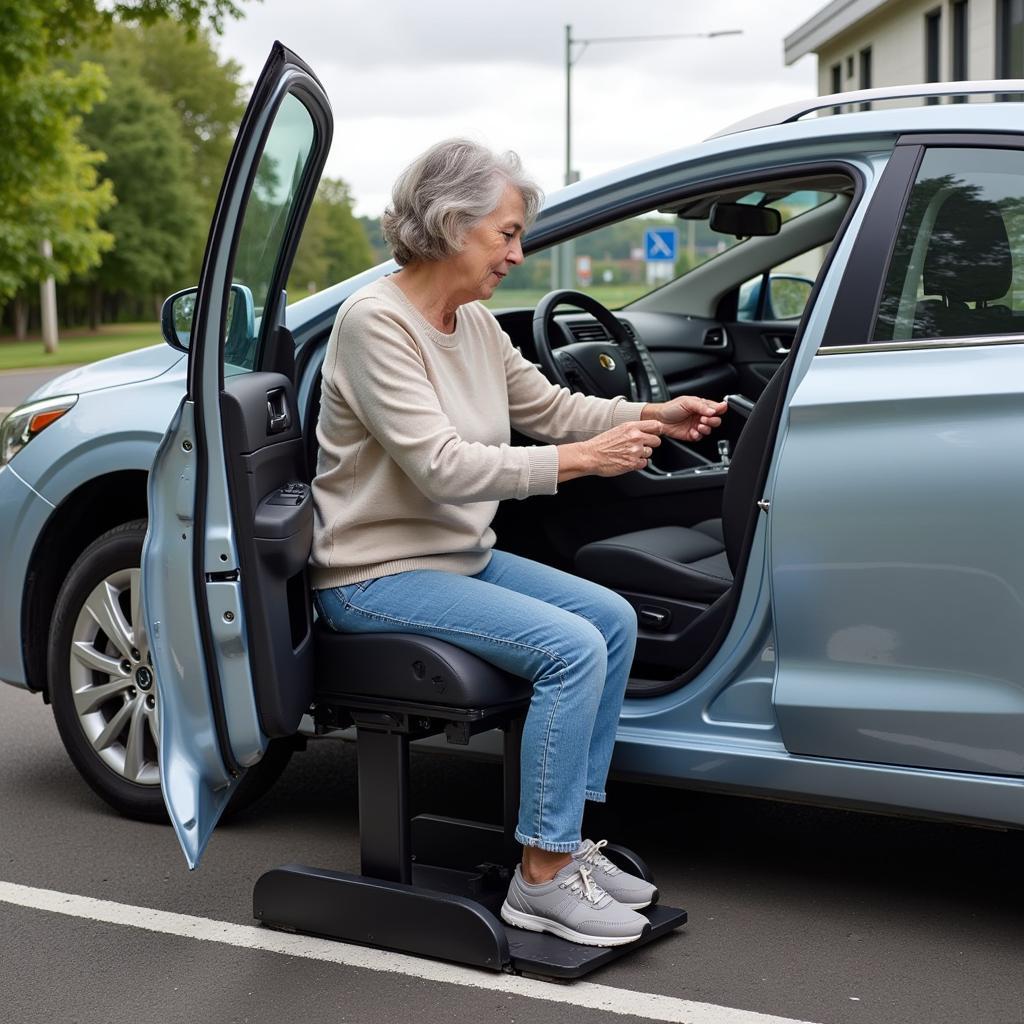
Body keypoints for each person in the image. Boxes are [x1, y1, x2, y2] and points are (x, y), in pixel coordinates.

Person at [310, 138, 726, 948]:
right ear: (448, 224)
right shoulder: (376, 325)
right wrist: (580, 464)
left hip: (453, 556)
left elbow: (551, 408)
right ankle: (539, 879)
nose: (516, 252)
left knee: (610, 618)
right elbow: (441, 466)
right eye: (504, 234)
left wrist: (649, 416)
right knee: (572, 648)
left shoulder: (468, 323)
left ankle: (562, 838)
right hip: (372, 572)